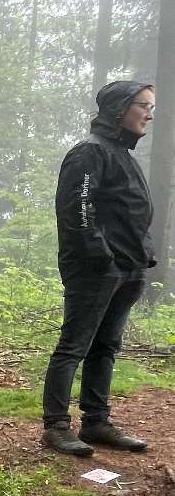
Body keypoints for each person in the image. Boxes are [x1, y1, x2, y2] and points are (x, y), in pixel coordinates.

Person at [41, 80, 157, 456]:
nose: (149, 114)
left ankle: (96, 421)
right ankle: (56, 427)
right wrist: (102, 260)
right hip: (96, 270)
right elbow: (77, 211)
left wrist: (140, 257)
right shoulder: (88, 154)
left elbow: (129, 214)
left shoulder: (122, 154)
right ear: (119, 108)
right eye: (143, 105)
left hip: (129, 267)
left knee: (106, 346)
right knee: (74, 346)